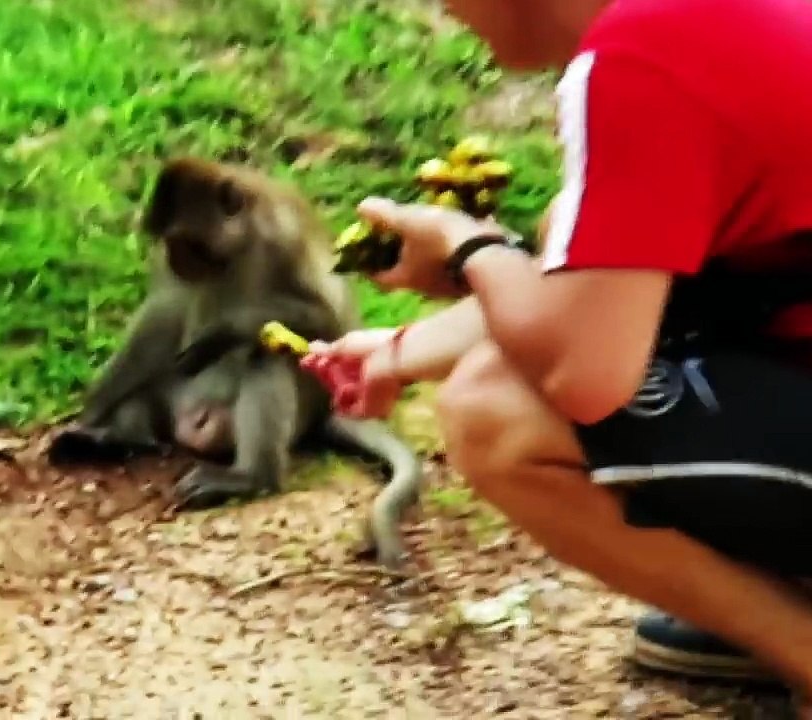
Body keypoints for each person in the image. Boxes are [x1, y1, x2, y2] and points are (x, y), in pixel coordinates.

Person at [299, 0, 812, 713]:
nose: (441, 8)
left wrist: (468, 247)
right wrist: (400, 349)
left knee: (496, 411)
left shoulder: (641, 59)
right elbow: (603, 288)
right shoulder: (691, 22)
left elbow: (586, 375)